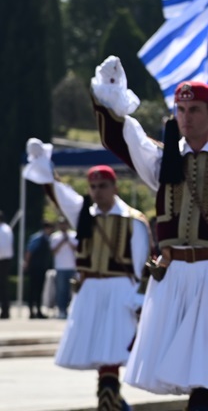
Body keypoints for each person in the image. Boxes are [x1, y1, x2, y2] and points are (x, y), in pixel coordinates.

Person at [89, 58, 208, 411]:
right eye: (181, 109)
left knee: (207, 375)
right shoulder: (164, 160)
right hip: (171, 277)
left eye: (194, 110)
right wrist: (108, 93)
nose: (186, 117)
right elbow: (125, 139)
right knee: (187, 371)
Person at [22, 147, 151, 411]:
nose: (96, 191)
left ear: (114, 186)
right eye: (92, 186)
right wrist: (43, 163)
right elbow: (59, 193)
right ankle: (112, 402)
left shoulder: (133, 221)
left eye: (102, 186)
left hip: (120, 290)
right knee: (100, 350)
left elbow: (142, 265)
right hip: (91, 289)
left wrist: (139, 298)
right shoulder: (84, 216)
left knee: (114, 350)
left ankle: (111, 401)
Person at [49, 216, 78, 320]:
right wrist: (62, 241)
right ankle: (62, 310)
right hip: (60, 267)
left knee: (73, 291)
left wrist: (68, 240)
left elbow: (77, 249)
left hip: (72, 267)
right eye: (61, 224)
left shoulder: (74, 235)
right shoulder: (55, 237)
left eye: (64, 223)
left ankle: (72, 309)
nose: (63, 226)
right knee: (61, 290)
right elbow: (53, 251)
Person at [24, 221, 54, 319]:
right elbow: (29, 251)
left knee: (40, 289)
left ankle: (38, 310)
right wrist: (27, 263)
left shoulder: (48, 239)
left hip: (42, 267)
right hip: (35, 267)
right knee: (32, 289)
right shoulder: (37, 238)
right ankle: (31, 311)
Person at [0, 210, 13, 319]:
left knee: (3, 287)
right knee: (4, 287)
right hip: (6, 260)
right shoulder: (7, 229)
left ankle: (5, 311)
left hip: (2, 260)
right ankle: (5, 310)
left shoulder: (3, 230)